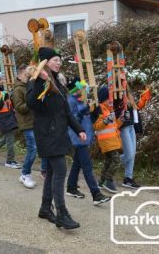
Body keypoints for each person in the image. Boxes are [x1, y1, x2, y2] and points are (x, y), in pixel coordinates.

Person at [26, 47, 85, 230]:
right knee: (60, 171)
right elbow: (31, 103)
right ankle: (62, 213)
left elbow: (66, 112)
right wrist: (38, 81)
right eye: (55, 60)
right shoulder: (36, 81)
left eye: (59, 60)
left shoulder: (58, 84)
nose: (59, 63)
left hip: (58, 134)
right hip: (47, 135)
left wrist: (79, 129)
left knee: (52, 173)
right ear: (45, 62)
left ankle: (45, 208)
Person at [65, 77, 111, 205]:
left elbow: (87, 119)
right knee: (87, 166)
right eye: (82, 87)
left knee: (77, 164)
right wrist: (85, 110)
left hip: (85, 136)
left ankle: (71, 187)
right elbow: (73, 120)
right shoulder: (70, 101)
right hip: (77, 137)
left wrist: (94, 113)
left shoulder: (81, 100)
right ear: (76, 88)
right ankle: (96, 194)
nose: (84, 89)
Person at [92, 86, 124, 194]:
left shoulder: (109, 109)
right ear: (104, 98)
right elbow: (96, 126)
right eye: (109, 97)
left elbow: (114, 125)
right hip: (106, 141)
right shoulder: (99, 109)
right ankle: (108, 181)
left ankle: (101, 182)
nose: (111, 99)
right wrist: (105, 120)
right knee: (116, 161)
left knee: (108, 162)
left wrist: (122, 119)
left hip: (112, 140)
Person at [13, 65, 38, 188]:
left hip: (34, 122)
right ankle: (25, 173)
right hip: (26, 123)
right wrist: (31, 103)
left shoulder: (28, 86)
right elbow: (19, 107)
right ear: (19, 75)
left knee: (35, 148)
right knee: (32, 149)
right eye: (25, 75)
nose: (27, 77)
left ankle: (29, 172)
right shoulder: (18, 89)